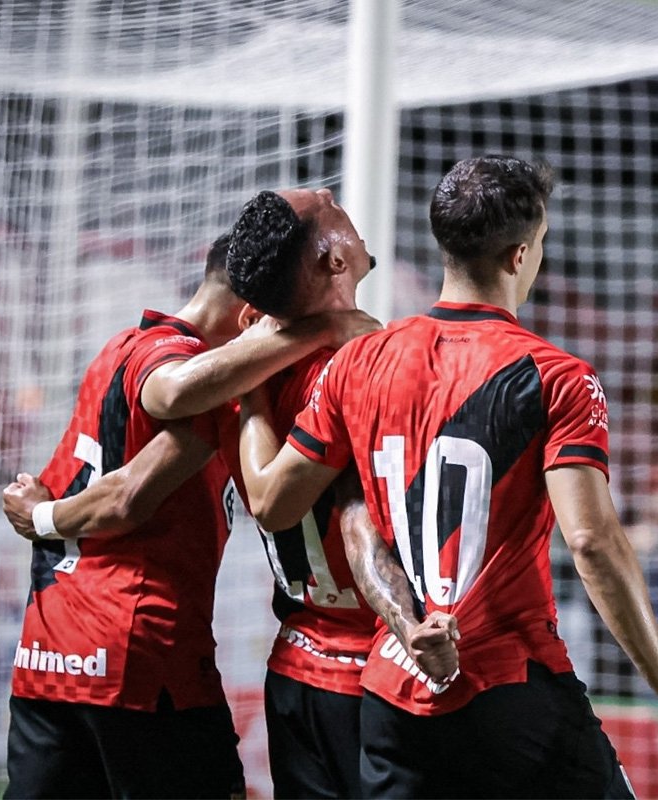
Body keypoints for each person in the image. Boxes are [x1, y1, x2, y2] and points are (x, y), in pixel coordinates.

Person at [238, 156, 658, 799]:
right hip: (509, 690)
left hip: (393, 689)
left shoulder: (359, 361)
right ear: (521, 256)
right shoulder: (557, 377)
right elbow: (593, 542)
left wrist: (247, 384)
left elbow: (281, 501)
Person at [0, 233, 373, 799]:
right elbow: (130, 491)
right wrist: (46, 517)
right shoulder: (195, 374)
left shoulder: (121, 345)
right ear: (252, 318)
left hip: (48, 654)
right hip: (137, 653)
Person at [220, 188, 457, 798]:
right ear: (332, 261)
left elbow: (163, 395)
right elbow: (349, 516)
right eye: (325, 204)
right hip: (381, 670)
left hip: (296, 667)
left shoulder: (237, 370)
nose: (332, 192)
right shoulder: (371, 367)